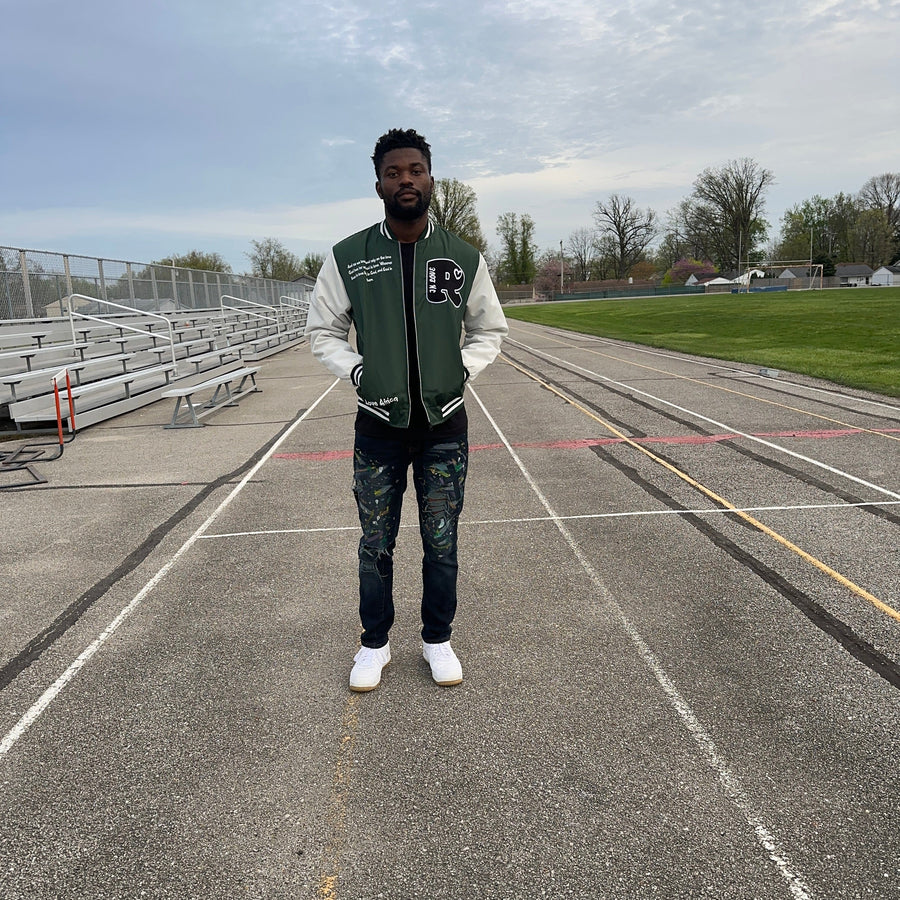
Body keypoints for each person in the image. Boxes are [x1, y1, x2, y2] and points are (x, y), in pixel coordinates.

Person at [305, 128, 508, 692]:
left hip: (444, 425)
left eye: (415, 170)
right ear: (378, 184)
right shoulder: (350, 257)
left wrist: (459, 371)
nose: (406, 181)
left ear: (431, 179)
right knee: (376, 541)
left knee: (441, 538)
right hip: (379, 427)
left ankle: (437, 639)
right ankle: (374, 645)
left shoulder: (461, 256)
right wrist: (359, 371)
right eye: (394, 173)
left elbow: (489, 328)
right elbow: (322, 330)